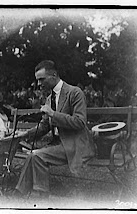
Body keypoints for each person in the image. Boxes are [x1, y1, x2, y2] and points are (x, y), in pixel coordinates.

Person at [14, 60, 95, 198]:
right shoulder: (50, 98)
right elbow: (45, 126)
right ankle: (19, 194)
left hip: (75, 144)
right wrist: (25, 134)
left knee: (37, 156)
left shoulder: (75, 93)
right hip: (59, 144)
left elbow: (80, 122)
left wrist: (53, 114)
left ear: (54, 75)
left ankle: (41, 197)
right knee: (32, 155)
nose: (39, 84)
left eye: (41, 79)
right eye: (38, 80)